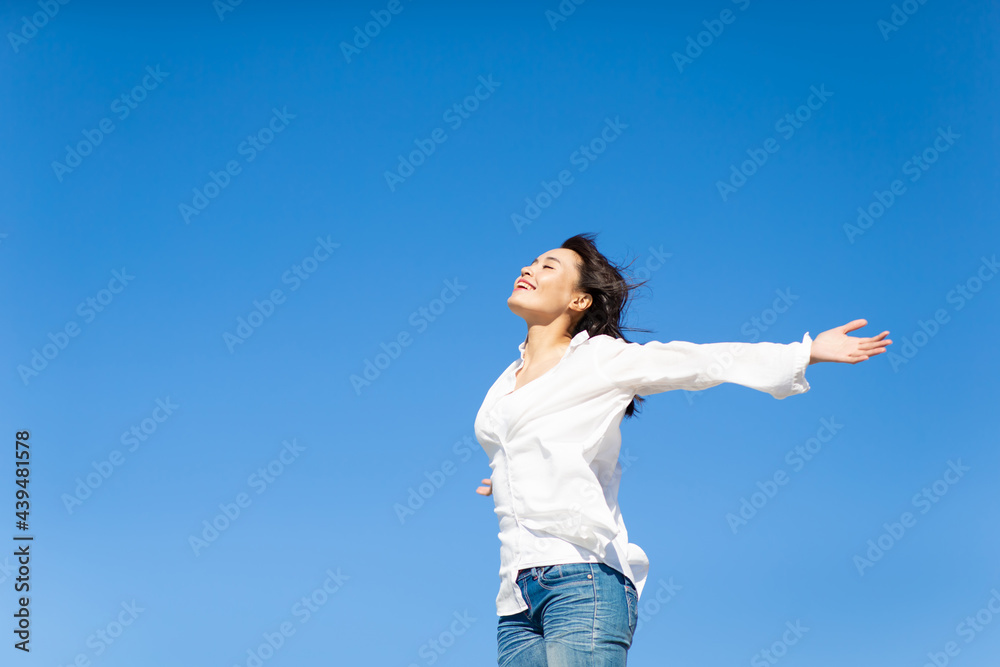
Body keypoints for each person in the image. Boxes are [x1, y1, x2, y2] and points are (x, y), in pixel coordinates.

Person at [472, 232, 891, 666]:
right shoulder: (506, 380)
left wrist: (805, 354)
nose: (528, 268)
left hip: (581, 580)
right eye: (532, 261)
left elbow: (699, 361)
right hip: (515, 599)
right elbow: (525, 442)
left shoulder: (600, 358)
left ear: (579, 300)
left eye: (548, 266)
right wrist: (507, 472)